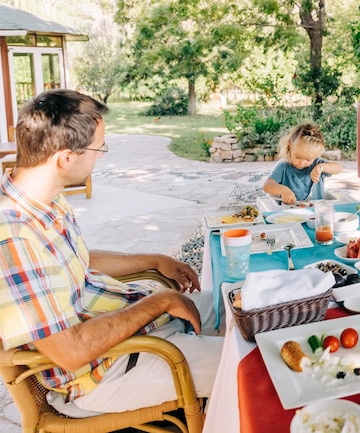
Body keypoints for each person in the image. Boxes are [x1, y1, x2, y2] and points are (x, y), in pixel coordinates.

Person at [0, 89, 223, 417]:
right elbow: (70, 350)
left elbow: (77, 261)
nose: (101, 155)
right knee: (252, 364)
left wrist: (154, 261)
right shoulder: (13, 236)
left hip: (137, 330)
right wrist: (159, 302)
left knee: (237, 306)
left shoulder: (43, 199)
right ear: (65, 157)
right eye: (98, 148)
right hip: (104, 373)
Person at [263, 123, 342, 204]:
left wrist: (321, 167)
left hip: (315, 210)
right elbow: (267, 186)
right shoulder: (283, 166)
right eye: (297, 157)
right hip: (289, 211)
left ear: (315, 155)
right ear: (290, 147)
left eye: (308, 159)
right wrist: (284, 190)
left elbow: (338, 168)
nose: (301, 162)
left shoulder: (317, 164)